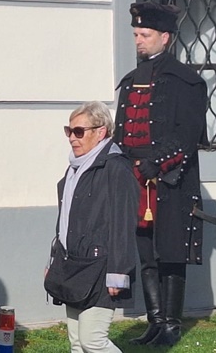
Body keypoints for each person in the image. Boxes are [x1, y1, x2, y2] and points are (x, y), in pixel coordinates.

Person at [113, 1, 208, 346]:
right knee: (146, 254)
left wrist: (156, 162)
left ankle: (171, 326)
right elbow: (122, 134)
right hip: (135, 180)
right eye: (136, 34)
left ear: (165, 37)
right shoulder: (130, 80)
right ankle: (154, 322)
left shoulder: (186, 81)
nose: (138, 40)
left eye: (145, 34)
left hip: (170, 180)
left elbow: (188, 134)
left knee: (170, 253)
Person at [48, 102, 139, 353]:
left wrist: (119, 272)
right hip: (73, 265)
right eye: (69, 131)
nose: (72, 138)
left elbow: (123, 224)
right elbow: (65, 222)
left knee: (93, 341)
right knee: (77, 343)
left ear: (101, 132)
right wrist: (54, 260)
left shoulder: (116, 168)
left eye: (79, 131)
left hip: (101, 268)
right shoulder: (74, 169)